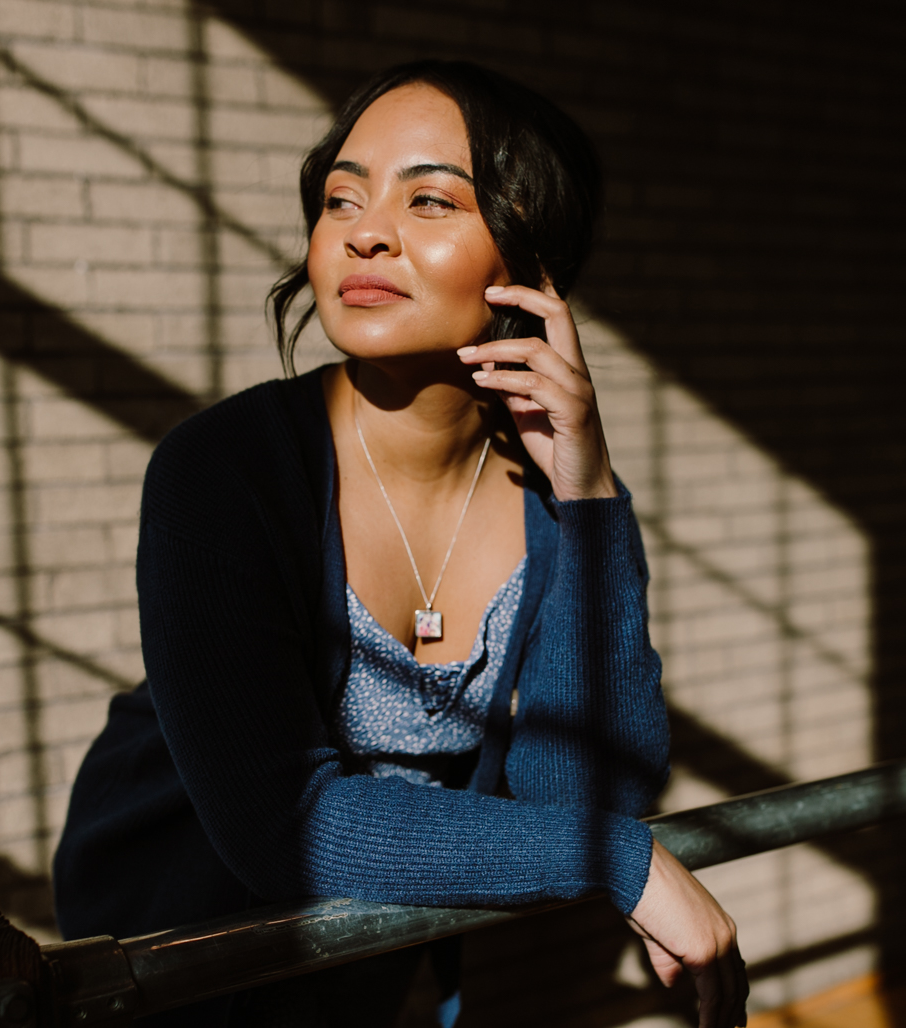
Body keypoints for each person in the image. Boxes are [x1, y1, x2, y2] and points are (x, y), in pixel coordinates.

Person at [54, 60, 749, 1028]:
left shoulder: (549, 495)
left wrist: (589, 495)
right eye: (341, 196)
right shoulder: (224, 467)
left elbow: (583, 782)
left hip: (368, 961)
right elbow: (280, 824)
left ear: (527, 262)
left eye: (429, 200)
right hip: (173, 963)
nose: (362, 230)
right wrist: (610, 856)